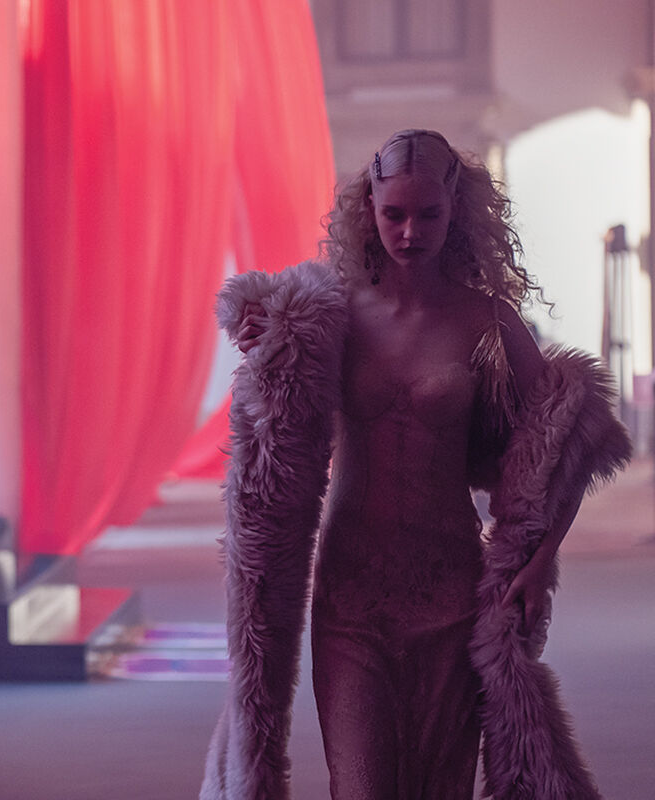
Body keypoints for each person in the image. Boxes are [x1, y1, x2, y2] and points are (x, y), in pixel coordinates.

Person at [201, 130, 631, 800]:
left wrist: (540, 559)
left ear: (455, 209)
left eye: (427, 213)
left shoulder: (487, 319)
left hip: (451, 595)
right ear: (367, 209)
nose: (409, 231)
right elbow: (276, 416)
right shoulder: (330, 316)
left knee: (440, 789)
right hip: (349, 594)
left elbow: (570, 441)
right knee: (363, 788)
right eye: (394, 213)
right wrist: (268, 349)